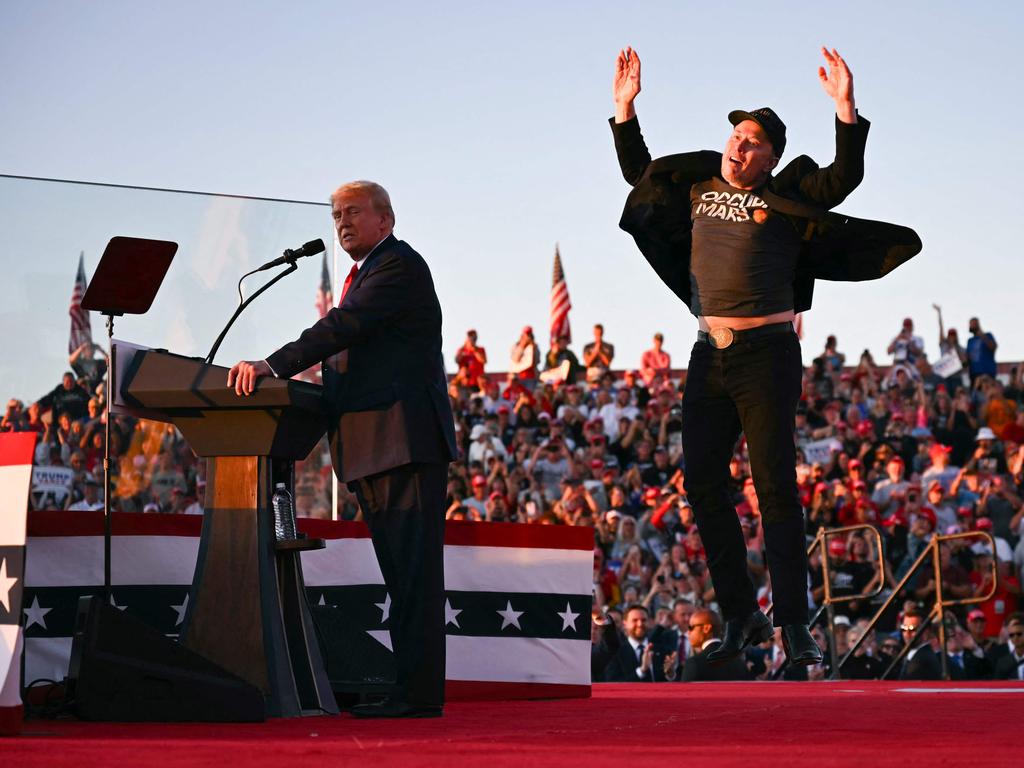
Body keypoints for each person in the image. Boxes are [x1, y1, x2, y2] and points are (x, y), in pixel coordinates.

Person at [609, 46, 920, 667]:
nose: (739, 146)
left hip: (767, 354)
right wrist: (624, 109)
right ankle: (740, 615)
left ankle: (795, 624)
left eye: (753, 141)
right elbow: (639, 175)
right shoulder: (697, 187)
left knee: (775, 489)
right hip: (708, 355)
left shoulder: (786, 194)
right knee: (700, 484)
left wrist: (845, 109)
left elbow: (842, 178)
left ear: (771, 157)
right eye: (735, 135)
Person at [228, 180, 456, 718]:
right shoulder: (367, 274)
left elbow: (345, 327)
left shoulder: (397, 267)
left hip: (402, 441)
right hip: (376, 445)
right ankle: (408, 687)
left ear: (386, 220)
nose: (342, 223)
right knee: (400, 574)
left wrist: (273, 365)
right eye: (336, 216)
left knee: (413, 574)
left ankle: (418, 695)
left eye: (353, 212)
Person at [679, 608, 751, 682]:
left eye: (691, 627)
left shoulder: (694, 663)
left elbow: (686, 693)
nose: (688, 632)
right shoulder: (739, 662)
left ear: (706, 628)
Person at [966, 317, 997, 384]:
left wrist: (981, 334)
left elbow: (993, 347)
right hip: (974, 374)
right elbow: (968, 358)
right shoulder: (970, 341)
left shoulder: (988, 335)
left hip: (987, 372)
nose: (970, 326)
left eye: (972, 324)